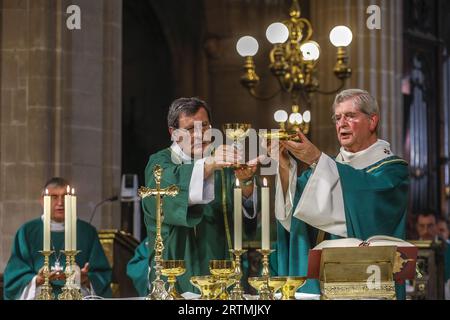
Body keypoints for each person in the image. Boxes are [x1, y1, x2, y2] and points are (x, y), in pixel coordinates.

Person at [273, 89, 409, 299]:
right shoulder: (325, 169)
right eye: (337, 118)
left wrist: (318, 159)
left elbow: (368, 197)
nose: (341, 123)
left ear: (372, 121)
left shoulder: (393, 171)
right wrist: (284, 168)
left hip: (369, 286)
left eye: (350, 116)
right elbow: (293, 215)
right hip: (322, 286)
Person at [127, 97, 259, 295]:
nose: (201, 135)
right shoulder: (160, 163)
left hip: (221, 267)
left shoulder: (221, 163)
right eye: (190, 129)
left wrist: (247, 184)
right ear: (174, 133)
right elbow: (170, 193)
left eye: (204, 125)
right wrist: (210, 164)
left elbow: (242, 219)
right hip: (177, 266)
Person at [3, 177, 112, 300]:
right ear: (42, 201)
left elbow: (101, 274)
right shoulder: (27, 231)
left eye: (65, 197)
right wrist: (37, 280)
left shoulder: (87, 232)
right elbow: (14, 275)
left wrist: (86, 279)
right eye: (54, 197)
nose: (60, 203)